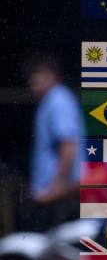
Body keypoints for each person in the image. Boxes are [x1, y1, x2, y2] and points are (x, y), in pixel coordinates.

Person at [23, 53, 83, 230]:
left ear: (53, 75)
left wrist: (57, 186)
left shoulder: (58, 100)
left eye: (40, 75)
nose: (35, 82)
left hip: (61, 194)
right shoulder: (49, 101)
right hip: (54, 193)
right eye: (31, 78)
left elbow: (68, 145)